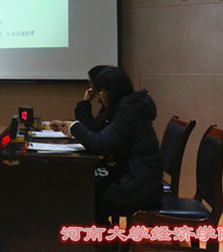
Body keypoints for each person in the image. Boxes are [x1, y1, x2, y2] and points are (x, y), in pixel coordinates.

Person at [53, 66, 163, 225]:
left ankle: (98, 237)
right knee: (80, 188)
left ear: (110, 91)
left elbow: (99, 144)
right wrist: (73, 126)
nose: (99, 97)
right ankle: (98, 236)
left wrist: (74, 127)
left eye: (99, 92)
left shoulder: (127, 111)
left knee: (83, 195)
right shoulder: (126, 106)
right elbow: (97, 133)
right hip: (134, 176)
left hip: (138, 185)